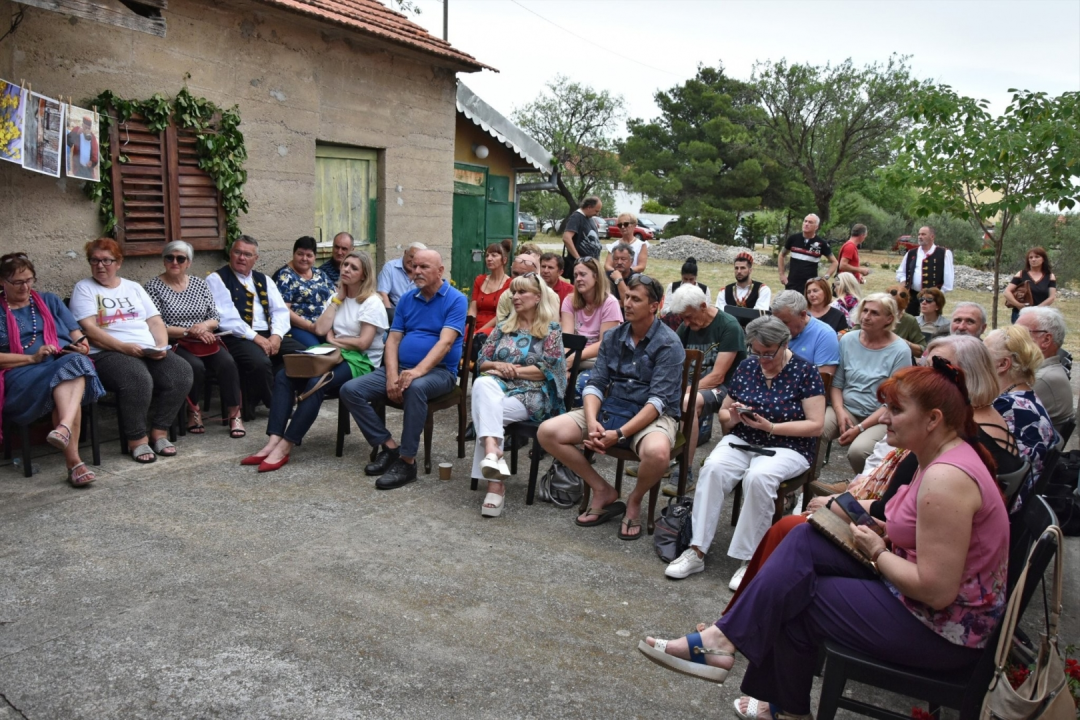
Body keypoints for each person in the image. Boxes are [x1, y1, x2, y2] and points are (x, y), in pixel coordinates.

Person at [640, 360, 1009, 720]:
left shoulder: (946, 480)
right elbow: (900, 518)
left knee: (800, 598)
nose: (881, 418)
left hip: (942, 629)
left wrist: (878, 552)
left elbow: (936, 591)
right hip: (917, 599)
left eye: (895, 410)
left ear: (933, 419)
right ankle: (728, 646)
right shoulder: (935, 456)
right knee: (802, 536)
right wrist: (851, 513)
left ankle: (773, 693)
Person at [724, 333, 1024, 611]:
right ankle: (731, 627)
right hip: (896, 543)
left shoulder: (952, 454)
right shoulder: (951, 434)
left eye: (936, 368)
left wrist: (841, 506)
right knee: (792, 536)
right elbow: (897, 506)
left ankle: (733, 625)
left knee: (792, 540)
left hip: (913, 577)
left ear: (957, 381)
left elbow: (890, 514)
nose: (923, 372)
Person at [663, 316, 825, 589]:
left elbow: (816, 425)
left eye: (768, 353)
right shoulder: (748, 366)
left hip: (788, 446)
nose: (762, 359)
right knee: (712, 468)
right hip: (744, 438)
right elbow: (725, 414)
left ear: (784, 344)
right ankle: (696, 549)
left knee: (758, 477)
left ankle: (750, 559)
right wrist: (734, 416)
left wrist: (771, 426)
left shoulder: (805, 371)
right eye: (756, 351)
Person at [538, 275, 685, 540]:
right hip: (612, 406)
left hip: (651, 416)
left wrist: (618, 435)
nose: (627, 303)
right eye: (626, 297)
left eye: (636, 299)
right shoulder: (614, 336)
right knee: (548, 432)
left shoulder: (669, 343)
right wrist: (593, 421)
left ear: (655, 305)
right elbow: (596, 383)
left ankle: (634, 500)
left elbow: (658, 402)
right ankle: (602, 488)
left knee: (658, 453)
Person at [245, 251, 387, 473]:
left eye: (353, 268)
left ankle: (286, 445)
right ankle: (273, 439)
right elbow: (320, 329)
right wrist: (337, 300)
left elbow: (363, 343)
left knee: (316, 383)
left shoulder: (371, 302)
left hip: (362, 362)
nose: (346, 269)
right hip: (333, 353)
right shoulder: (336, 298)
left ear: (364, 275)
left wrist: (335, 340)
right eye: (345, 265)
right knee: (285, 374)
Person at [340, 249, 466, 490]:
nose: (416, 272)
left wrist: (416, 372)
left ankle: (408, 462)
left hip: (439, 372)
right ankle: (389, 447)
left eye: (423, 267)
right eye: (414, 267)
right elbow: (393, 340)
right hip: (403, 368)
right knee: (350, 390)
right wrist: (391, 375)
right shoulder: (408, 299)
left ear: (440, 271)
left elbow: (446, 342)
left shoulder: (456, 299)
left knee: (414, 388)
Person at [71, 239, 193, 464]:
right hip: (106, 352)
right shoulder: (84, 288)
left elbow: (155, 321)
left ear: (118, 262)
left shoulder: (133, 287)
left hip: (144, 349)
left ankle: (159, 431)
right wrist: (124, 347)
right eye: (95, 260)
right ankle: (136, 439)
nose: (100, 265)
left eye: (107, 260)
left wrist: (161, 347)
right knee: (136, 377)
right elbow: (89, 329)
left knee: (181, 371)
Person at [0, 253, 104, 486]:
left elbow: (79, 337)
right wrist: (32, 358)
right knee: (72, 375)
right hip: (20, 375)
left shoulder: (49, 300)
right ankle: (72, 455)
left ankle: (67, 440)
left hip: (59, 364)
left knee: (75, 365)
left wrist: (82, 347)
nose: (25, 286)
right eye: (18, 282)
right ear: (2, 282)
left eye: (29, 280)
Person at [472, 274, 567, 517]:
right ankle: (494, 455)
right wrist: (497, 367)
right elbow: (481, 361)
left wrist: (511, 369)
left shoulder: (551, 330)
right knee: (482, 386)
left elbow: (550, 370)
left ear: (537, 297)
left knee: (486, 411)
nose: (515, 297)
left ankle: (495, 482)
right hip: (499, 387)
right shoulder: (504, 327)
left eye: (522, 292)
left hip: (534, 394)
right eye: (513, 292)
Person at [144, 241, 243, 437]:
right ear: (163, 261)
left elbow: (215, 317)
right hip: (175, 341)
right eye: (170, 257)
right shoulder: (152, 287)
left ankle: (234, 414)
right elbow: (155, 324)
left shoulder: (199, 284)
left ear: (188, 262)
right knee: (194, 367)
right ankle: (194, 410)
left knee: (228, 363)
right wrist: (189, 331)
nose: (175, 262)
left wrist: (203, 327)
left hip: (204, 339)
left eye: (181, 258)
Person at [207, 236, 302, 413]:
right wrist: (256, 338)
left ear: (255, 258)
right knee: (260, 362)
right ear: (231, 253)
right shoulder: (217, 279)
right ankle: (276, 406)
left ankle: (273, 391)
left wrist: (276, 336)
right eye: (237, 252)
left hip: (268, 333)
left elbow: (280, 311)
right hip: (237, 336)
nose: (241, 257)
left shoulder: (264, 279)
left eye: (247, 254)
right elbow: (227, 318)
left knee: (301, 355)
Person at [818, 293, 911, 474]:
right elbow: (837, 383)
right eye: (865, 311)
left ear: (889, 319)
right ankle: (807, 481)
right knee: (816, 429)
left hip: (880, 416)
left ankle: (862, 491)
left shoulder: (900, 351)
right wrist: (839, 411)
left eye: (875, 313)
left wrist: (860, 428)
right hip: (846, 408)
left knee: (859, 451)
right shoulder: (848, 340)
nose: (866, 317)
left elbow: (893, 400)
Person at [669, 284, 747, 486]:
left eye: (689, 316)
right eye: (682, 318)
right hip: (692, 385)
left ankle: (684, 469)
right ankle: (660, 457)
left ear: (703, 305)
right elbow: (672, 357)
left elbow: (718, 376)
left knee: (688, 402)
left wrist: (683, 391)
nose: (685, 323)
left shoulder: (729, 326)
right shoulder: (687, 326)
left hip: (726, 388)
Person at [985, 325, 1060, 513]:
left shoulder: (1009, 407)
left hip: (1006, 509)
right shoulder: (1022, 397)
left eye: (983, 354)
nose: (977, 360)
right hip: (1015, 502)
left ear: (1003, 364)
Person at [559, 256, 622, 380]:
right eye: (575, 275)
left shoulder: (610, 303)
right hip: (572, 354)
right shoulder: (569, 301)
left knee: (580, 384)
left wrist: (574, 358)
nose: (578, 279)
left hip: (597, 358)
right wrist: (564, 363)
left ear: (596, 277)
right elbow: (567, 338)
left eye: (583, 274)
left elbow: (604, 343)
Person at [1016, 306, 1075, 435]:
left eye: (1020, 333)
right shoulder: (1040, 371)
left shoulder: (1043, 378)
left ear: (1046, 340)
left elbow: (997, 415)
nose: (1012, 339)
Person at [272, 236, 335, 349]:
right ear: (293, 254)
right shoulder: (285, 276)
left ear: (315, 257)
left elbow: (334, 298)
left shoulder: (320, 274)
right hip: (299, 328)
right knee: (317, 351)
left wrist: (329, 327)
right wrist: (310, 327)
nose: (304, 258)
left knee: (341, 348)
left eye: (309, 255)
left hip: (325, 326)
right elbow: (284, 310)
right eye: (300, 254)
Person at [769, 291, 839, 373]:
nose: (778, 327)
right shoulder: (771, 329)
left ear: (802, 315)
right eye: (776, 322)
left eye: (784, 322)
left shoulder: (824, 335)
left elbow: (822, 381)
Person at [897, 225, 954, 316]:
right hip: (912, 294)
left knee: (930, 323)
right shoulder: (911, 253)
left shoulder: (944, 253)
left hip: (933, 297)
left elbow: (948, 278)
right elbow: (901, 272)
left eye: (923, 234)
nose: (920, 236)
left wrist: (938, 296)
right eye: (919, 234)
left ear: (932, 236)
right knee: (911, 320)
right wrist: (903, 284)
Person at [778, 214, 837, 291]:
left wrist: (825, 278)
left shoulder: (821, 243)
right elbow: (781, 255)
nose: (806, 224)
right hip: (792, 283)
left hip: (810, 287)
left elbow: (835, 262)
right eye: (805, 221)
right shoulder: (793, 239)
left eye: (810, 222)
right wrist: (782, 275)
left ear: (816, 227)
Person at [1004, 247, 1057, 324]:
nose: (1033, 259)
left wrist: (1036, 309)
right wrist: (1018, 305)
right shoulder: (1021, 274)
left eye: (1037, 257)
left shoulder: (1050, 276)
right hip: (1020, 314)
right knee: (1019, 335)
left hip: (1041, 315)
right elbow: (1007, 292)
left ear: (1043, 259)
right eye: (1030, 257)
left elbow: (1051, 297)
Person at [470, 240, 511, 334]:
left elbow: (502, 315)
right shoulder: (480, 280)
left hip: (495, 327)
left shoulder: (510, 284)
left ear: (504, 260)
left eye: (494, 255)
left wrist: (479, 332)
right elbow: (473, 309)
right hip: (474, 325)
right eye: (487, 255)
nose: (489, 258)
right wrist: (470, 327)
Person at [377, 242, 426, 315]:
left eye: (417, 259)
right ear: (405, 253)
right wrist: (390, 316)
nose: (413, 261)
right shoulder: (390, 267)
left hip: (417, 315)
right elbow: (382, 293)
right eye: (411, 256)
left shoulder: (424, 272)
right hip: (394, 313)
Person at [560, 196, 603, 279]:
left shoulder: (590, 218)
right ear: (589, 207)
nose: (597, 214)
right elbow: (566, 238)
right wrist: (578, 259)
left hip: (591, 266)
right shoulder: (576, 217)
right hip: (581, 267)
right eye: (596, 211)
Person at [882, 285, 928, 358]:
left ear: (905, 307)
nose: (893, 314)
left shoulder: (909, 321)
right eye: (889, 309)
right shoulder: (873, 314)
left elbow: (922, 350)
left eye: (898, 310)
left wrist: (905, 343)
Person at [66, 115, 99, 180]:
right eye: (85, 127)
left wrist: (92, 162)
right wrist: (76, 134)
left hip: (88, 170)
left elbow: (95, 154)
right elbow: (68, 142)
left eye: (88, 128)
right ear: (82, 125)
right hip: (78, 168)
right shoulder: (77, 131)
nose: (87, 130)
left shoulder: (93, 138)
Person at [605, 242, 634, 312]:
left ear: (631, 261)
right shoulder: (605, 277)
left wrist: (618, 280)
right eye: (616, 259)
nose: (619, 262)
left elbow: (627, 302)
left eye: (623, 259)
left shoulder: (636, 279)